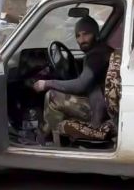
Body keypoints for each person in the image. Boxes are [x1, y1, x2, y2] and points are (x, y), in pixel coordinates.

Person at [32, 15, 112, 144]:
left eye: (86, 34)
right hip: (101, 104)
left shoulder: (96, 56)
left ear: (95, 34)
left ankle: (48, 139)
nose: (82, 40)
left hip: (99, 111)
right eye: (78, 36)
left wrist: (47, 83)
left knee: (52, 96)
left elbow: (81, 85)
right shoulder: (101, 50)